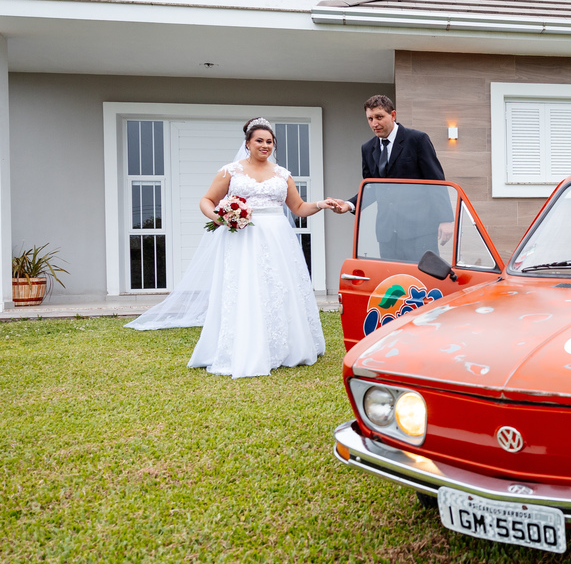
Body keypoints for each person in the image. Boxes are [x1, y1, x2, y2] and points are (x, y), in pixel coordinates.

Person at [127, 117, 333, 378]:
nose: (265, 145)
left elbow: (299, 208)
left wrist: (321, 204)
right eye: (259, 140)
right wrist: (221, 218)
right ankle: (245, 346)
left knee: (278, 287)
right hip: (243, 237)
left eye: (269, 141)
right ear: (247, 143)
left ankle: (285, 347)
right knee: (247, 287)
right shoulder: (230, 171)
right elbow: (207, 200)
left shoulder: (283, 175)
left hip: (279, 239)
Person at [327, 95, 453, 260]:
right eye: (370, 119)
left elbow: (436, 181)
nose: (374, 123)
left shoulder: (417, 140)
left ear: (393, 115)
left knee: (424, 283)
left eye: (379, 117)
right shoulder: (367, 148)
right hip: (387, 235)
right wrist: (350, 204)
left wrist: (446, 220)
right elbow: (373, 188)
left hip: (420, 231)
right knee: (393, 284)